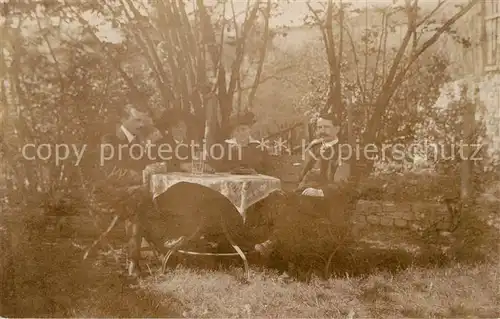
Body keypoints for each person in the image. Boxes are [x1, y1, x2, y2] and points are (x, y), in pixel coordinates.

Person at [253, 111, 353, 257]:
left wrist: (320, 192)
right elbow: (302, 174)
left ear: (337, 129)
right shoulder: (315, 147)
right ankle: (273, 245)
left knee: (291, 207)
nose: (322, 131)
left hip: (327, 202)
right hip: (304, 197)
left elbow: (341, 182)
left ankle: (273, 245)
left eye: (326, 127)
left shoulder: (344, 150)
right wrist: (297, 189)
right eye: (319, 128)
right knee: (275, 198)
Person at [209, 111, 274, 175]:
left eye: (243, 129)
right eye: (237, 130)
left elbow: (268, 169)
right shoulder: (225, 147)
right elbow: (218, 169)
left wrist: (255, 171)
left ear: (249, 129)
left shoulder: (259, 147)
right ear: (233, 133)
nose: (241, 133)